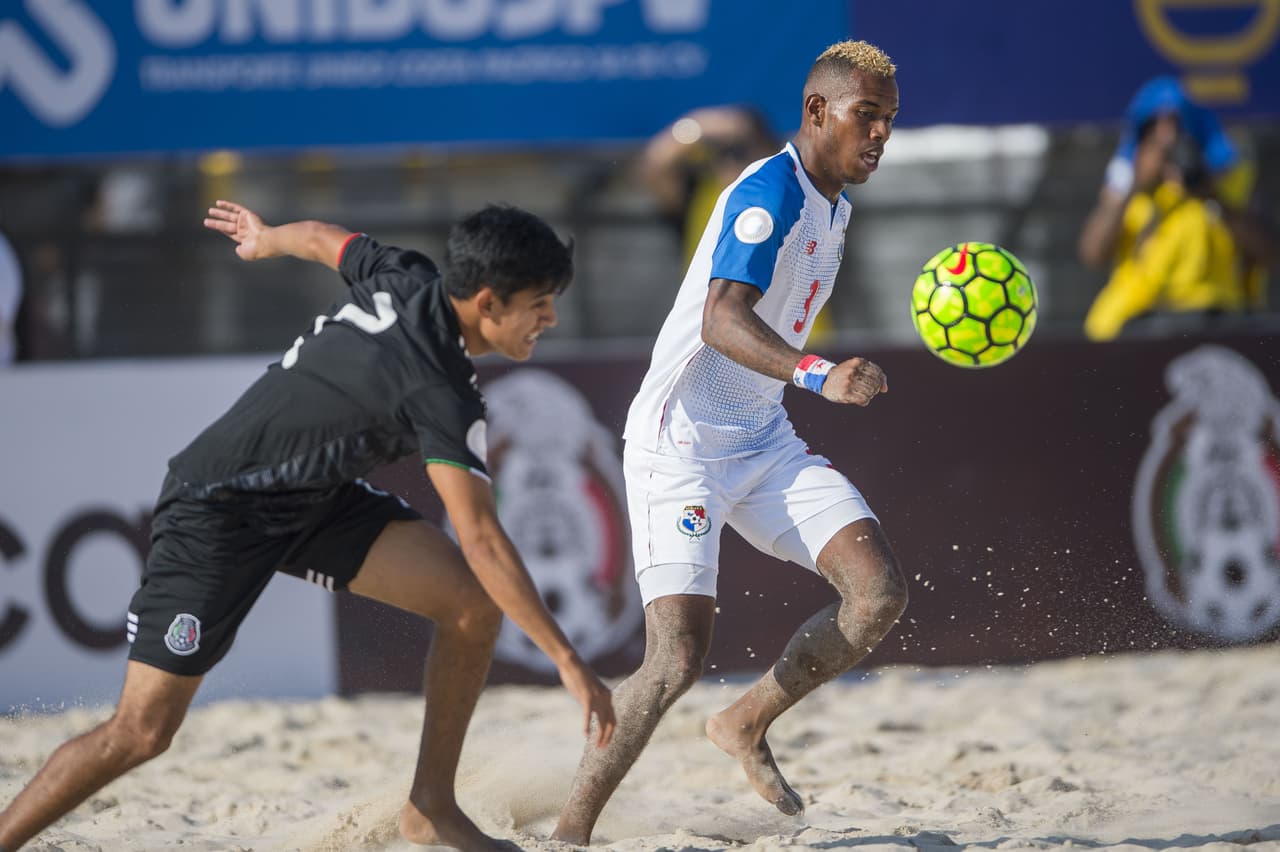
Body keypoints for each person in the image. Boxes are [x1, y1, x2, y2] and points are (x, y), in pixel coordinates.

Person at [0, 200, 616, 852]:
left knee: (469, 605)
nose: (550, 318)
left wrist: (267, 239)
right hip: (217, 508)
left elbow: (324, 238)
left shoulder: (406, 273)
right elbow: (484, 539)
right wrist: (570, 664)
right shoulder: (440, 387)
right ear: (488, 302)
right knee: (141, 733)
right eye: (540, 303)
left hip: (314, 500)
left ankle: (431, 806)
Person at [552, 40, 908, 844]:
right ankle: (567, 837)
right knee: (675, 660)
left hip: (761, 436)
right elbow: (720, 320)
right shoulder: (769, 193)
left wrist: (804, 384)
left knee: (879, 594)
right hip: (679, 442)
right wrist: (820, 374)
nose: (881, 133)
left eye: (889, 118)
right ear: (818, 111)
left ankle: (746, 722)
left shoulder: (834, 201)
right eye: (867, 115)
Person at [1078, 76, 1280, 341]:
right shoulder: (1129, 183)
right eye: (1154, 127)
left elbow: (1273, 255)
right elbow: (1093, 254)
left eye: (1177, 125)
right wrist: (1136, 185)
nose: (1167, 138)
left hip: (1222, 320)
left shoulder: (1234, 182)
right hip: (1140, 321)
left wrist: (1209, 193)